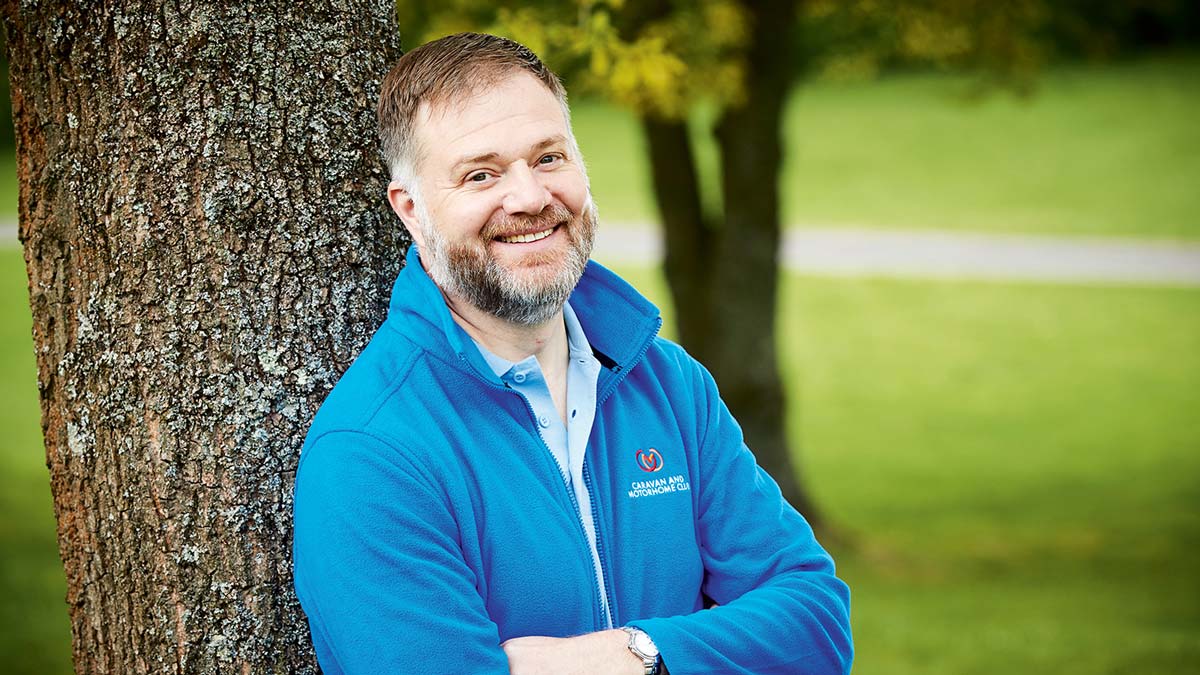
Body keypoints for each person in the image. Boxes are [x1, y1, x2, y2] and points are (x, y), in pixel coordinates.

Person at [292, 32, 852, 675]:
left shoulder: (671, 388)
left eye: (549, 158)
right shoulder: (375, 450)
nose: (530, 198)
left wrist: (636, 655)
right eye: (482, 174)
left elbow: (816, 624)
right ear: (412, 211)